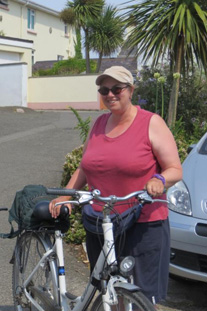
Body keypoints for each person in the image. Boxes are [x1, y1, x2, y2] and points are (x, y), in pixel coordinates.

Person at [49, 66, 182, 305]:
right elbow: (84, 167)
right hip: (101, 222)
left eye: (117, 89)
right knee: (109, 294)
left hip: (143, 224)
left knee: (140, 297)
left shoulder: (151, 123)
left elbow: (174, 169)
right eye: (104, 90)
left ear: (130, 90)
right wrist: (66, 196)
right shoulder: (99, 124)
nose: (110, 94)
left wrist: (159, 180)